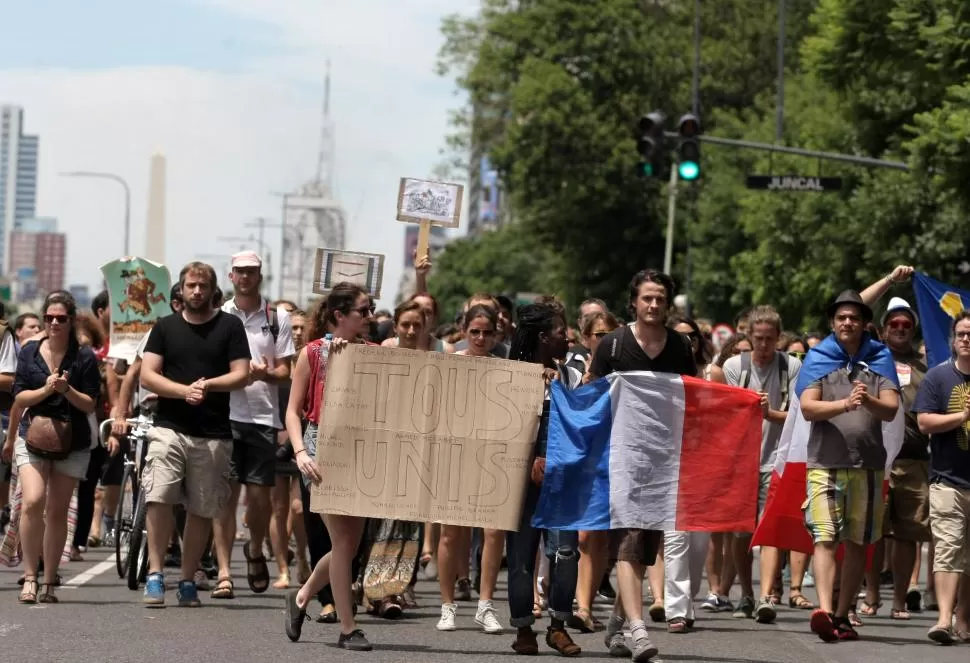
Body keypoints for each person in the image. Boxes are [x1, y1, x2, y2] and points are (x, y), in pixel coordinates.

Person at [587, 269, 697, 662]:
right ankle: (638, 629)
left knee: (645, 551)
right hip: (622, 462)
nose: (653, 305)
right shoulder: (613, 346)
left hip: (664, 463)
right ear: (633, 301)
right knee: (629, 545)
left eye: (660, 299)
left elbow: (694, 400)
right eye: (647, 298)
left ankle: (616, 627)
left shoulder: (681, 347)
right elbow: (592, 399)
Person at [139, 261, 251, 608]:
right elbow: (147, 375)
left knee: (203, 508)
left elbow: (242, 374)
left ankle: (188, 578)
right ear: (182, 290)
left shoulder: (230, 327)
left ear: (213, 290)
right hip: (169, 428)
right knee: (159, 496)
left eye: (202, 286)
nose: (196, 292)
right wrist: (181, 391)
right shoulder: (164, 327)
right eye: (190, 286)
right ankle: (156, 575)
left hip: (213, 433)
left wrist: (207, 385)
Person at [799, 290, 899, 642]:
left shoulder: (880, 358)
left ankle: (842, 614)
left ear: (864, 324)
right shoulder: (819, 358)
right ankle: (825, 610)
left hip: (867, 465)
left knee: (858, 542)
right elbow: (808, 408)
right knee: (824, 535)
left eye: (853, 318)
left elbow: (890, 409)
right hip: (824, 463)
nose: (847, 323)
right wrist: (844, 404)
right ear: (832, 323)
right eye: (841, 317)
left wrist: (866, 398)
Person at [283, 282, 375, 651]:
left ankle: (302, 596)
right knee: (341, 541)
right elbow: (292, 411)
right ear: (339, 316)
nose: (369, 317)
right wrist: (301, 452)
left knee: (349, 546)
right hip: (322, 446)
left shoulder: (373, 354)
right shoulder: (313, 354)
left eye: (370, 310)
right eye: (363, 311)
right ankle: (348, 627)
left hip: (364, 449)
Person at [1, 291, 101, 604]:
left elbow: (89, 404)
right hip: (33, 435)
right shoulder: (29, 352)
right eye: (49, 318)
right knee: (32, 500)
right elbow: (19, 398)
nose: (54, 323)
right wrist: (45, 389)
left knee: (57, 510)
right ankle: (30, 577)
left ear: (72, 321)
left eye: (61, 318)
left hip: (73, 441)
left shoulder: (84, 356)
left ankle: (48, 580)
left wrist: (66, 389)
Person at [213, 251, 295, 598]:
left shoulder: (277, 316)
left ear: (260, 275)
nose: (245, 277)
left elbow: (285, 371)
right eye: (239, 272)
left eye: (251, 272)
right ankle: (224, 572)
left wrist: (264, 373)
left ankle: (255, 548)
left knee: (260, 499)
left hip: (262, 417)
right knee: (226, 497)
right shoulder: (220, 316)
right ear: (230, 276)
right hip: (226, 415)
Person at [505, 303, 582, 656]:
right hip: (518, 481)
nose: (566, 338)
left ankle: (558, 626)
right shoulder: (508, 375)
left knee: (566, 552)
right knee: (521, 555)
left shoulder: (571, 377)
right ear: (542, 337)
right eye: (559, 332)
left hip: (561, 481)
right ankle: (523, 627)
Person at [721, 306, 803, 624]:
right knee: (741, 532)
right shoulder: (733, 366)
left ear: (779, 338)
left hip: (775, 459)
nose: (765, 345)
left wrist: (769, 413)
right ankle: (746, 593)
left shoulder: (791, 367)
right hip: (742, 461)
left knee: (769, 529)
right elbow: (726, 415)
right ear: (749, 337)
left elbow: (798, 416)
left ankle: (767, 595)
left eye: (770, 339)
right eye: (759, 339)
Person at [436, 304, 506, 635]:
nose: (480, 337)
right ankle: (447, 606)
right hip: (454, 455)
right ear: (464, 330)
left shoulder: (506, 370)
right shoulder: (449, 365)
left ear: (497, 335)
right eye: (475, 331)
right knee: (451, 532)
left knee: (493, 532)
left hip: (493, 458)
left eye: (487, 332)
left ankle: (485, 606)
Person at [914, 310, 970, 644]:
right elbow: (924, 423)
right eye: (962, 333)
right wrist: (962, 415)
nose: (967, 339)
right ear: (953, 339)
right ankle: (944, 618)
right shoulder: (938, 377)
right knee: (949, 547)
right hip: (947, 479)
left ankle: (964, 617)